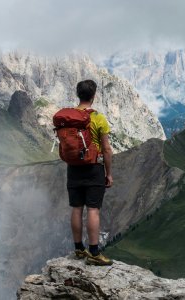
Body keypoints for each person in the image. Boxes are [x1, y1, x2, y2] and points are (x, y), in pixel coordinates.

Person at [67, 79, 114, 266]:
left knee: (76, 208)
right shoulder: (98, 118)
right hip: (94, 168)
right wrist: (108, 174)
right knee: (93, 209)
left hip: (73, 168)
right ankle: (94, 252)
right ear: (93, 96)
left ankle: (78, 248)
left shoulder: (69, 118)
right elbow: (107, 149)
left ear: (78, 95)